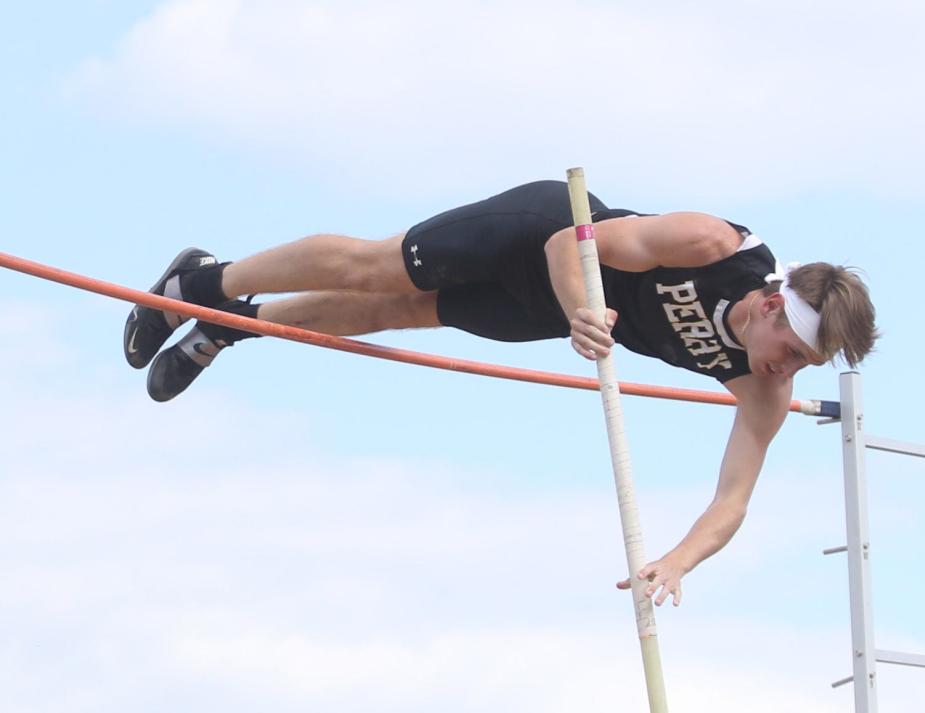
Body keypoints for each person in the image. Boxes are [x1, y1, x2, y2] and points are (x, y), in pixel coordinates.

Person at [123, 180, 878, 607]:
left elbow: (734, 497)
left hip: (557, 317)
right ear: (776, 305)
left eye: (806, 367)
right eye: (794, 352)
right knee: (374, 269)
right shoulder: (713, 246)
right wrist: (583, 308)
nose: (789, 371)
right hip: (539, 235)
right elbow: (569, 245)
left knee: (395, 316)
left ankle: (228, 328)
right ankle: (200, 284)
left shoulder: (761, 387)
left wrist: (678, 560)